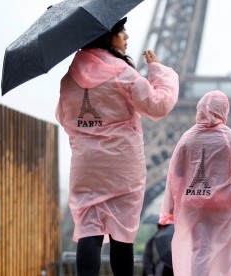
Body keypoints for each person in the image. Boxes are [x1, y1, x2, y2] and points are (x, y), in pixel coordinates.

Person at [56, 17, 179, 276]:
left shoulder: (70, 77)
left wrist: (90, 136)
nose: (126, 36)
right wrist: (157, 70)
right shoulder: (122, 72)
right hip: (122, 164)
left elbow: (64, 117)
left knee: (89, 228)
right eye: (121, 31)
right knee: (122, 232)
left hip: (86, 164)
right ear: (107, 36)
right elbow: (157, 105)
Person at [159, 90, 231, 276]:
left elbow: (175, 177)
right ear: (224, 111)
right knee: (225, 255)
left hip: (194, 207)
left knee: (199, 253)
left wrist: (170, 209)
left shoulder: (187, 139)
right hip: (224, 208)